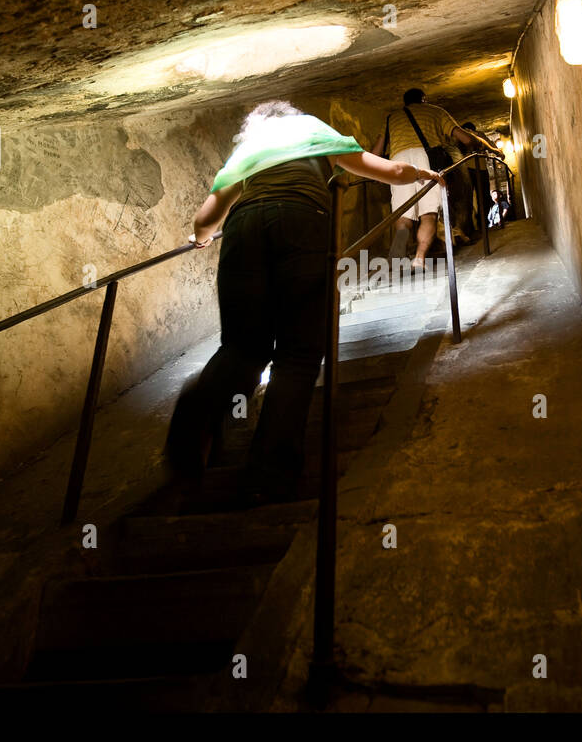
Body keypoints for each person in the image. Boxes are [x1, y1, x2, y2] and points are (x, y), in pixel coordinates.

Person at [165, 101, 445, 504]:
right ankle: (268, 474)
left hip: (243, 231)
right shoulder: (313, 131)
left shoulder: (248, 151)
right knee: (297, 356)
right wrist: (427, 174)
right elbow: (392, 171)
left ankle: (187, 443)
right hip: (302, 223)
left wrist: (203, 238)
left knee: (242, 350)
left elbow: (206, 219)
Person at [373, 88, 498, 270]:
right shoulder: (435, 111)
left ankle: (398, 259)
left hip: (397, 161)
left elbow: (376, 151)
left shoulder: (391, 118)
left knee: (404, 215)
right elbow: (464, 138)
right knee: (428, 214)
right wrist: (482, 145)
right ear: (424, 99)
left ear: (404, 102)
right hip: (426, 160)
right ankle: (419, 259)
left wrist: (376, 172)